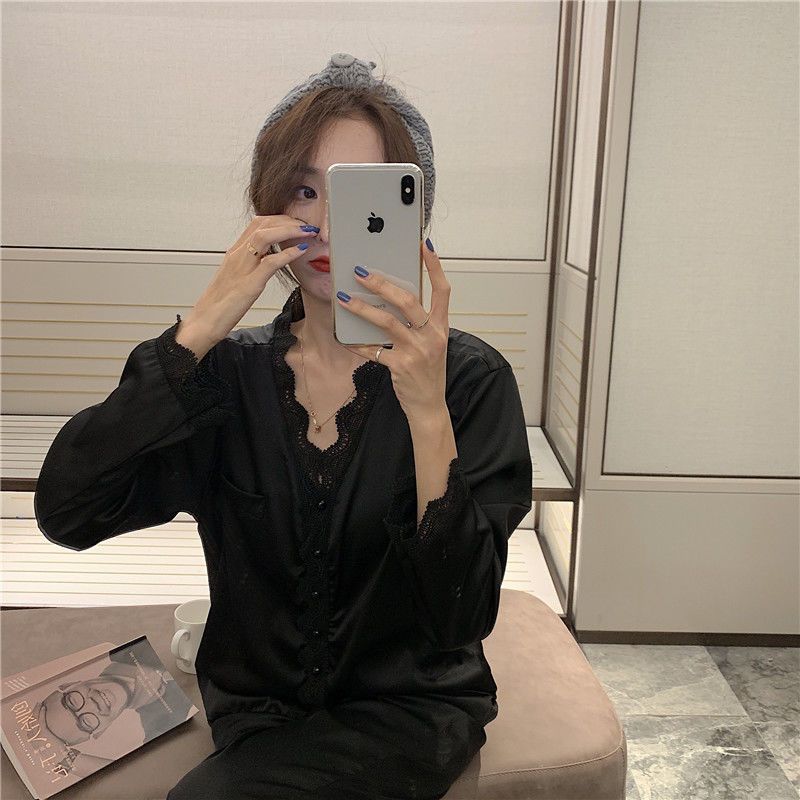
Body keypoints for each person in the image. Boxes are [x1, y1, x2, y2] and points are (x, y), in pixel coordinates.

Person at [34, 53, 533, 800]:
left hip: (410, 714)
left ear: (411, 216)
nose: (327, 224)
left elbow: (461, 615)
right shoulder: (225, 380)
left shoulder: (469, 380)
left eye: (359, 195)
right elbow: (68, 512)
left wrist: (428, 413)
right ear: (266, 208)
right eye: (304, 190)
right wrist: (199, 330)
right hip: (256, 716)